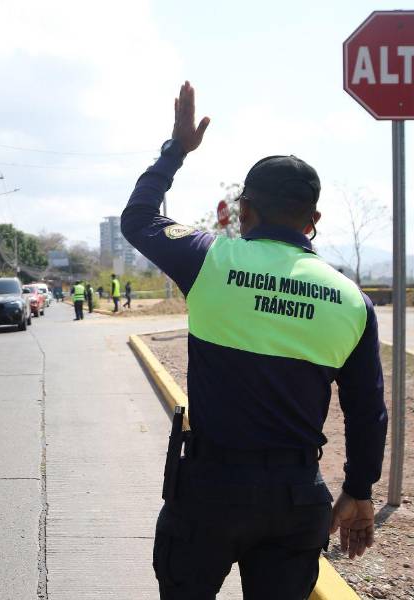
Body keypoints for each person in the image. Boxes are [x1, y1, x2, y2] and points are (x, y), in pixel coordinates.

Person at [120, 81, 387, 599]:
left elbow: (139, 219)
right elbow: (367, 410)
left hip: (208, 491)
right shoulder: (353, 301)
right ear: (313, 222)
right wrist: (359, 491)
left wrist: (175, 151)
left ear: (245, 212)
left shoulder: (208, 260)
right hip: (295, 499)